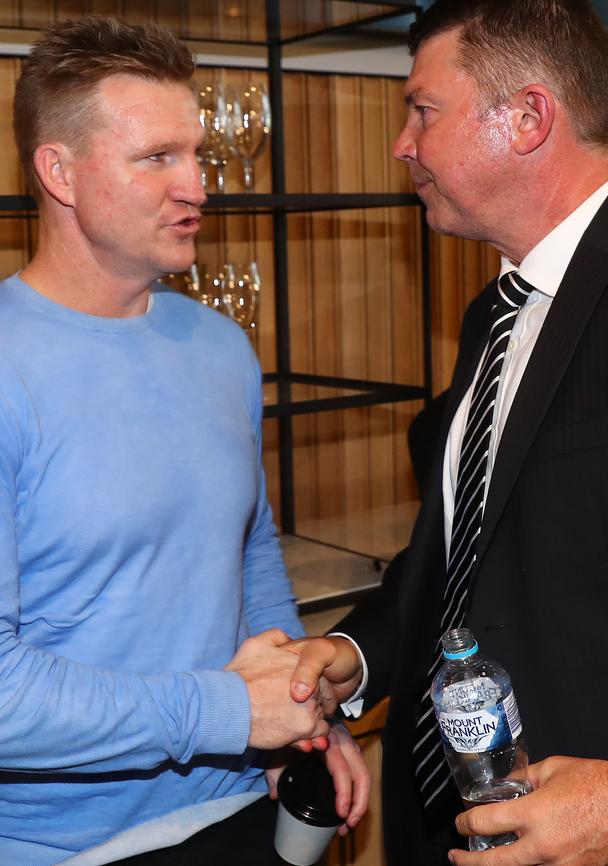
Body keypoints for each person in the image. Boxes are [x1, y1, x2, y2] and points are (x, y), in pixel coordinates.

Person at [280, 1, 608, 864]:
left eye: (423, 110)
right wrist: (357, 655)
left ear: (526, 119)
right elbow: (464, 551)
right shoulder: (495, 309)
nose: (404, 144)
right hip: (454, 824)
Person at [0, 15, 369, 866]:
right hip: (68, 849)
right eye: (156, 158)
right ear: (58, 171)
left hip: (243, 807)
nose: (196, 186)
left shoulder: (220, 348)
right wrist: (232, 714)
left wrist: (301, 719)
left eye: (196, 154)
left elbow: (251, 557)